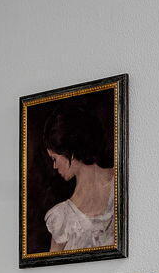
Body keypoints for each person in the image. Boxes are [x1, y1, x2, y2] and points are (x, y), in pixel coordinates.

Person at [39, 102, 118, 254]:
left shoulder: (122, 182)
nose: (54, 166)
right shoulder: (61, 217)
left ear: (71, 153)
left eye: (54, 158)